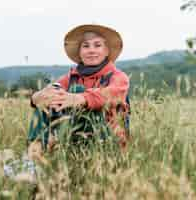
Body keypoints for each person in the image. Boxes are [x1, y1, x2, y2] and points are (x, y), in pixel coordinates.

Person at [28, 24, 130, 156]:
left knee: (77, 89)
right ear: (80, 52)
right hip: (73, 136)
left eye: (97, 45)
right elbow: (50, 91)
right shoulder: (71, 76)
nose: (91, 50)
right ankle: (34, 155)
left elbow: (110, 94)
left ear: (106, 51)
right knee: (47, 99)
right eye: (86, 46)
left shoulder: (118, 77)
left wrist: (78, 98)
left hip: (107, 140)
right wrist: (37, 97)